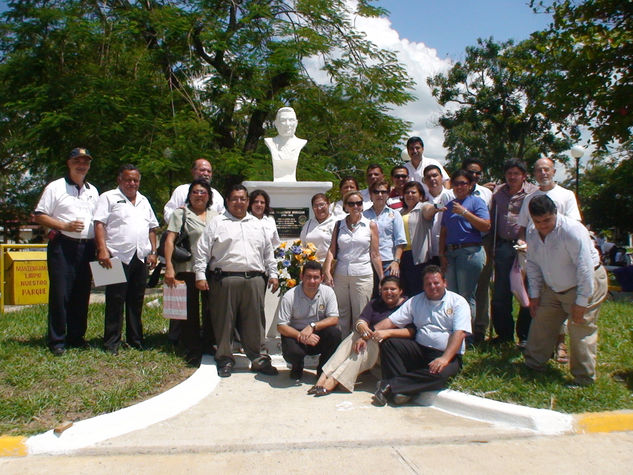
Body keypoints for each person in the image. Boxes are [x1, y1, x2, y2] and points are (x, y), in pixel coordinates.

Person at [194, 185, 279, 378]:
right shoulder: (217, 223)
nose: (239, 202)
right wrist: (200, 275)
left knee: (255, 322)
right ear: (227, 201)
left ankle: (259, 359)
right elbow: (202, 251)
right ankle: (224, 359)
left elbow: (268, 252)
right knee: (224, 322)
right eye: (234, 199)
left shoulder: (257, 224)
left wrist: (273, 274)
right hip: (225, 279)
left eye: (242, 199)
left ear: (247, 202)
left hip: (255, 279)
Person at [523, 195, 607, 386]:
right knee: (542, 322)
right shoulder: (532, 230)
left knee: (580, 328)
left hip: (585, 283)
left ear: (555, 213)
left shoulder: (572, 231)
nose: (542, 225)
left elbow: (584, 268)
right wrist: (534, 296)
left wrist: (581, 301)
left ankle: (583, 378)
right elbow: (533, 263)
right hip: (554, 287)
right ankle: (534, 365)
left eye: (547, 220)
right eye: (537, 221)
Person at [372, 265, 471, 406]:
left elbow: (459, 333)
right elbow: (391, 321)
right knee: (390, 343)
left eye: (436, 283)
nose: (433, 287)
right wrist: (368, 333)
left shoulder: (458, 302)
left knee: (441, 376)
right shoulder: (415, 301)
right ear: (423, 286)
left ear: (445, 283)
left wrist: (444, 358)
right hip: (420, 350)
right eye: (428, 284)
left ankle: (389, 386)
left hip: (447, 354)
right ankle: (403, 391)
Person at [33, 147, 99, 355]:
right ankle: (57, 341)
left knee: (82, 293)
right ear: (69, 163)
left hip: (87, 247)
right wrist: (64, 226)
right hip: (63, 245)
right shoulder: (56, 187)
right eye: (77, 161)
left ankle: (77, 337)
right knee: (61, 294)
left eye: (86, 162)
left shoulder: (93, 190)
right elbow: (39, 215)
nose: (82, 165)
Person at [518, 156, 582, 362]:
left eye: (547, 170)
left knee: (565, 302)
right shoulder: (529, 198)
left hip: (564, 262)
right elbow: (523, 228)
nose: (543, 174)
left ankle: (561, 344)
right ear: (533, 174)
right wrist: (523, 245)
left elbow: (574, 227)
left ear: (554, 171)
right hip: (537, 259)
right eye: (539, 170)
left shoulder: (566, 195)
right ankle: (538, 352)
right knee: (544, 306)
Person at [94, 164, 159, 355]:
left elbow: (152, 228)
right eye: (128, 179)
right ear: (119, 180)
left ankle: (136, 340)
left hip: (140, 257)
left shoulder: (144, 200)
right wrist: (102, 250)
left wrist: (153, 251)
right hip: (115, 256)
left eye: (135, 180)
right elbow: (99, 224)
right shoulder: (108, 197)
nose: (132, 183)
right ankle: (111, 342)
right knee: (114, 300)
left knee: (136, 300)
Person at [312, 276, 410, 396]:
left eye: (393, 289)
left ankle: (332, 381)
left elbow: (411, 331)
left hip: (387, 351)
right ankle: (323, 378)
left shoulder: (407, 307)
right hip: (370, 344)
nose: (388, 292)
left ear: (400, 291)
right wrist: (362, 328)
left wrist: (373, 335)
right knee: (355, 335)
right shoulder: (376, 303)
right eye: (385, 289)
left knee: (371, 341)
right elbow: (361, 321)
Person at [164, 179, 218, 366]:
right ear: (189, 195)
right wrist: (169, 267)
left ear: (209, 196)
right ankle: (192, 348)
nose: (199, 195)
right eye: (195, 192)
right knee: (190, 312)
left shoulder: (216, 215)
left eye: (203, 192)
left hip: (210, 269)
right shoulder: (181, 214)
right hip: (187, 269)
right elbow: (170, 240)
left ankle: (209, 344)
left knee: (211, 310)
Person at [490, 159, 538, 345]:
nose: (512, 177)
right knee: (501, 292)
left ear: (524, 175)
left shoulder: (533, 193)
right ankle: (504, 335)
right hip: (503, 246)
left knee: (526, 290)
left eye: (516, 173)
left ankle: (525, 336)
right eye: (509, 173)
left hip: (526, 248)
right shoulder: (498, 193)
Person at [323, 191, 383, 336]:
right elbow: (332, 250)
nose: (356, 206)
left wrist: (382, 278)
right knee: (340, 314)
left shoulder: (371, 225)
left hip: (363, 274)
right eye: (351, 203)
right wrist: (326, 271)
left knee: (360, 315)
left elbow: (375, 254)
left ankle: (358, 350)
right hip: (341, 275)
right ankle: (341, 348)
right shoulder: (339, 225)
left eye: (359, 203)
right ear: (345, 206)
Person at [276, 261, 342, 382]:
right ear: (302, 277)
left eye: (316, 277)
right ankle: (297, 366)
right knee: (292, 351)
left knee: (335, 334)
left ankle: (323, 370)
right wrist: (301, 336)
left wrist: (312, 327)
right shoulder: (289, 296)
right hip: (296, 335)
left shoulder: (328, 292)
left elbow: (334, 319)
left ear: (322, 278)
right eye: (308, 277)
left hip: (317, 333)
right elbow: (281, 326)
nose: (312, 281)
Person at [439, 170, 491, 322]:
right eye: (456, 184)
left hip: (470, 252)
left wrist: (465, 213)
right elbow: (444, 231)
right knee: (452, 296)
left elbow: (486, 226)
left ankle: (467, 336)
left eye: (463, 183)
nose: (459, 187)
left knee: (465, 296)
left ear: (470, 186)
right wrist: (442, 254)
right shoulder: (449, 206)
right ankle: (454, 332)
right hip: (451, 253)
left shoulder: (476, 202)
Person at [462, 158, 493, 344]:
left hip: (482, 244)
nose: (474, 176)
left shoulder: (486, 193)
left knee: (482, 289)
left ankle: (480, 328)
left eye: (478, 173)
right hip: (459, 247)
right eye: (470, 171)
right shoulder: (454, 193)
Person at [363, 180, 407, 292]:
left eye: (383, 192)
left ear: (388, 194)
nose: (380, 195)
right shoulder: (363, 215)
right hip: (367, 262)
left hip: (388, 262)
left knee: (389, 296)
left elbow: (400, 241)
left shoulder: (395, 215)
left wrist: (396, 262)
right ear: (371, 194)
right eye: (376, 192)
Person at [399, 181, 435, 297]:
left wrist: (436, 208)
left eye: (413, 192)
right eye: (407, 192)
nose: (410, 195)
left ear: (420, 195)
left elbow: (429, 211)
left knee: (418, 292)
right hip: (402, 256)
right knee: (406, 291)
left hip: (418, 257)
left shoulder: (422, 207)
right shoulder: (399, 213)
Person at [264, 106, 307, 182]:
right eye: (283, 120)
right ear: (276, 123)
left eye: (291, 120)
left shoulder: (301, 143)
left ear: (296, 123)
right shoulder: (270, 142)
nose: (287, 124)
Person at [423, 165, 454, 266]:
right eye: (428, 177)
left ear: (442, 177)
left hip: (449, 249)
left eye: (435, 175)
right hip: (428, 252)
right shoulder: (423, 198)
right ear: (424, 181)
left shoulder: (451, 195)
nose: (432, 179)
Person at [300, 193, 337, 262]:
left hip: (330, 267)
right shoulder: (308, 224)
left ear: (328, 204)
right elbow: (303, 245)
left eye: (322, 204)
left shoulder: (336, 223)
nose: (319, 208)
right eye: (315, 206)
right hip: (311, 267)